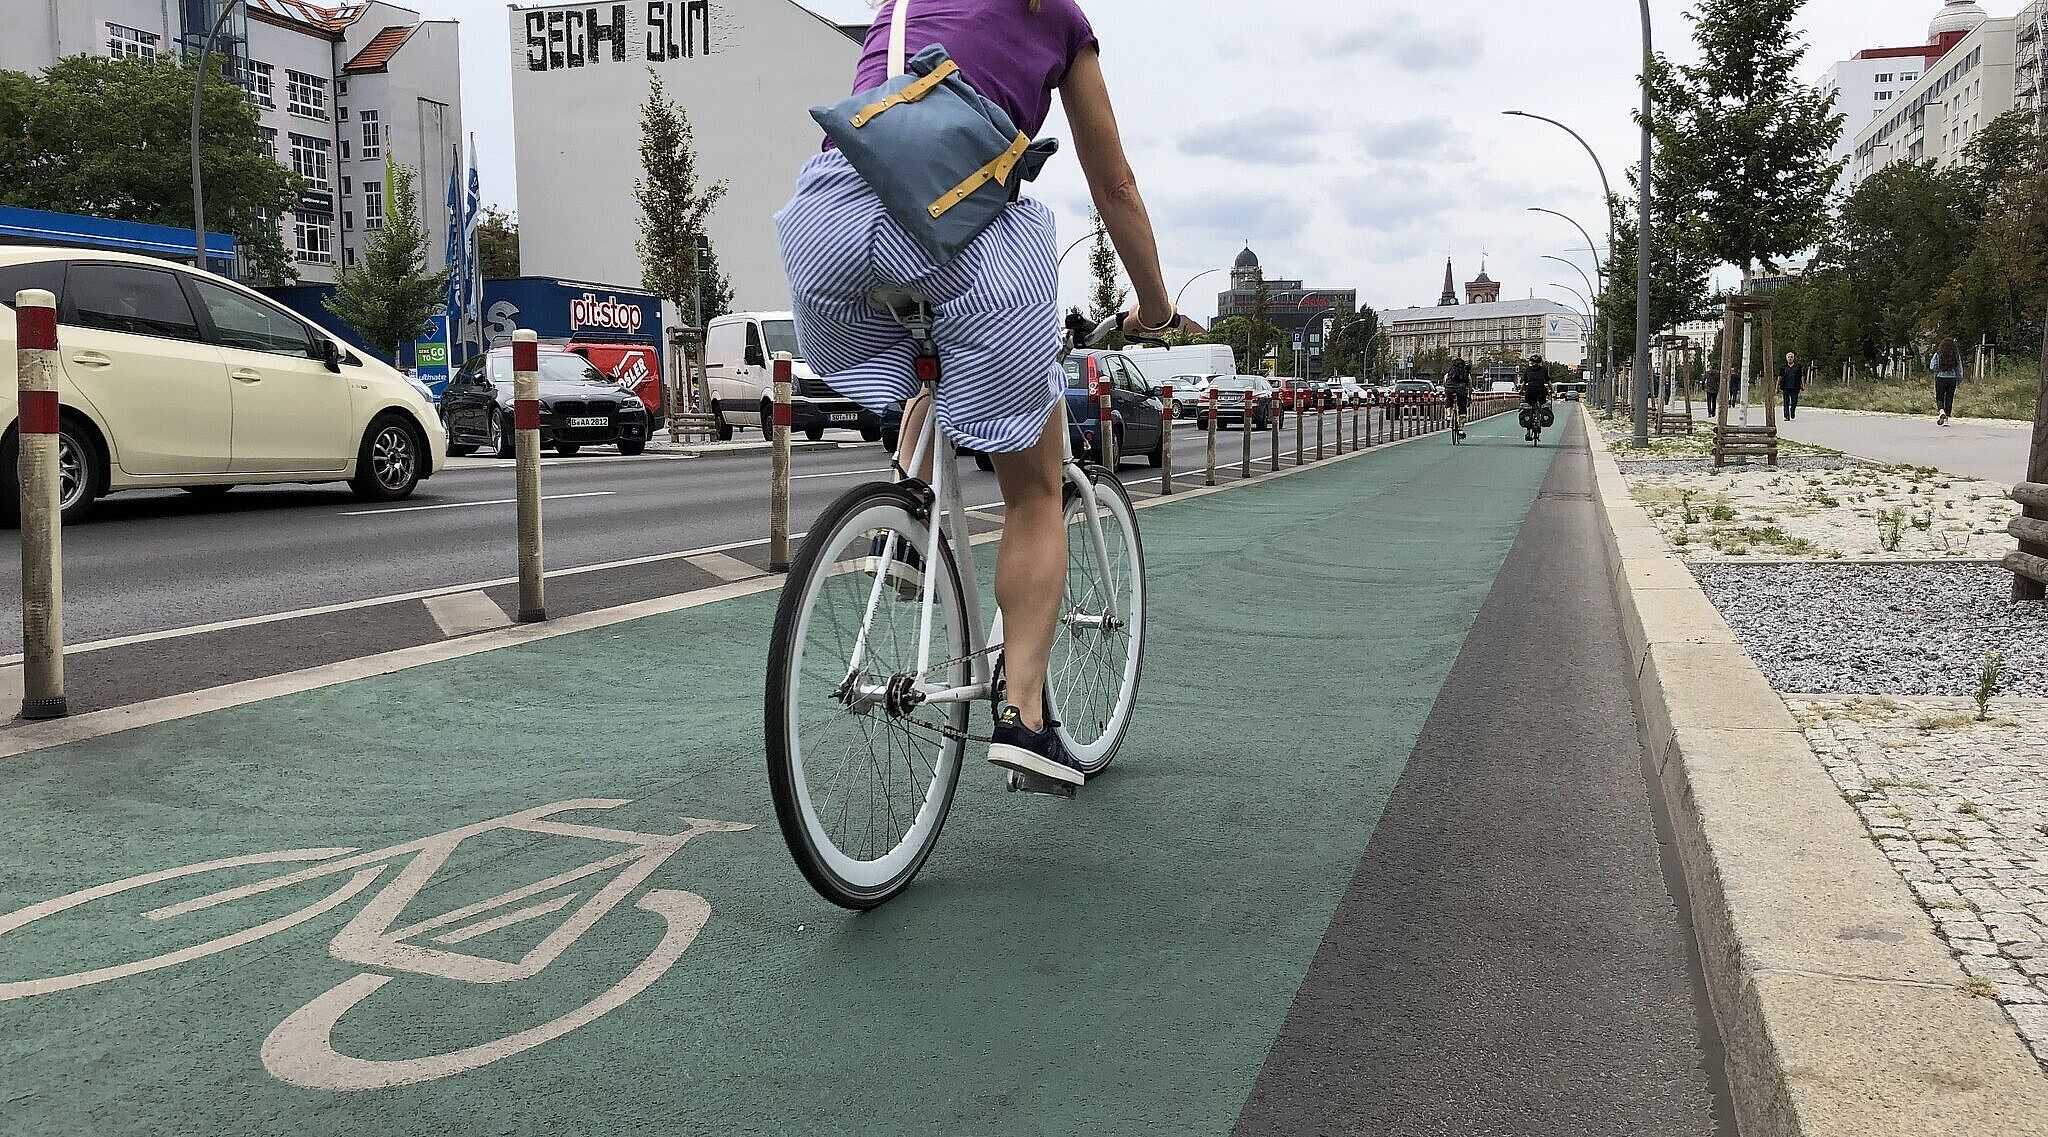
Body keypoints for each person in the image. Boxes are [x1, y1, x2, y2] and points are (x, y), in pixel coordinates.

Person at [775, 0, 1170, 789]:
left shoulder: (899, 3)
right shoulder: (1054, 14)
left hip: (821, 234)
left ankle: (907, 522)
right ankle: (1023, 713)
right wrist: (1155, 305)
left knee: (926, 365)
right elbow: (1114, 184)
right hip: (959, 239)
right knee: (1032, 494)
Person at [1931, 337, 1964, 426]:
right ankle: (1946, 420)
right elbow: (1959, 368)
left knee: (1939, 397)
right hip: (1952, 379)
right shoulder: (1955, 355)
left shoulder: (1938, 354)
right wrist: (1959, 378)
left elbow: (1932, 366)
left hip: (1940, 378)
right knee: (1949, 398)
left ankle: (1941, 411)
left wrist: (1939, 369)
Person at [1520, 355, 1551, 441]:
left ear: (1531, 362)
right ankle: (1540, 419)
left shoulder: (1528, 370)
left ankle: (1528, 431)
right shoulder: (1544, 369)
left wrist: (1521, 391)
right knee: (1542, 404)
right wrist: (1551, 390)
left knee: (1528, 408)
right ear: (1540, 362)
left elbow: (1524, 382)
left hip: (1530, 391)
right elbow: (1548, 381)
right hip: (1541, 391)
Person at [1444, 357, 1473, 438]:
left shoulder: (1449, 372)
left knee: (1448, 401)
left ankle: (1449, 416)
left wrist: (1447, 391)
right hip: (1461, 391)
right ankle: (1461, 430)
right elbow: (1470, 386)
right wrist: (1469, 396)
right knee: (1462, 409)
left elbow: (1445, 382)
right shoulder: (1466, 372)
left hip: (1449, 389)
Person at [1778, 352, 1805, 420]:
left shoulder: (1798, 366)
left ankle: (1792, 411)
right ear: (1786, 358)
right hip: (1785, 386)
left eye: (1791, 357)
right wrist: (1777, 386)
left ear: (1793, 358)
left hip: (1795, 386)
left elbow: (1801, 376)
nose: (1790, 358)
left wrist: (1802, 385)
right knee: (1786, 402)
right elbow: (1780, 377)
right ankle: (1786, 416)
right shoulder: (1783, 367)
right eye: (1788, 357)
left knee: (1794, 401)